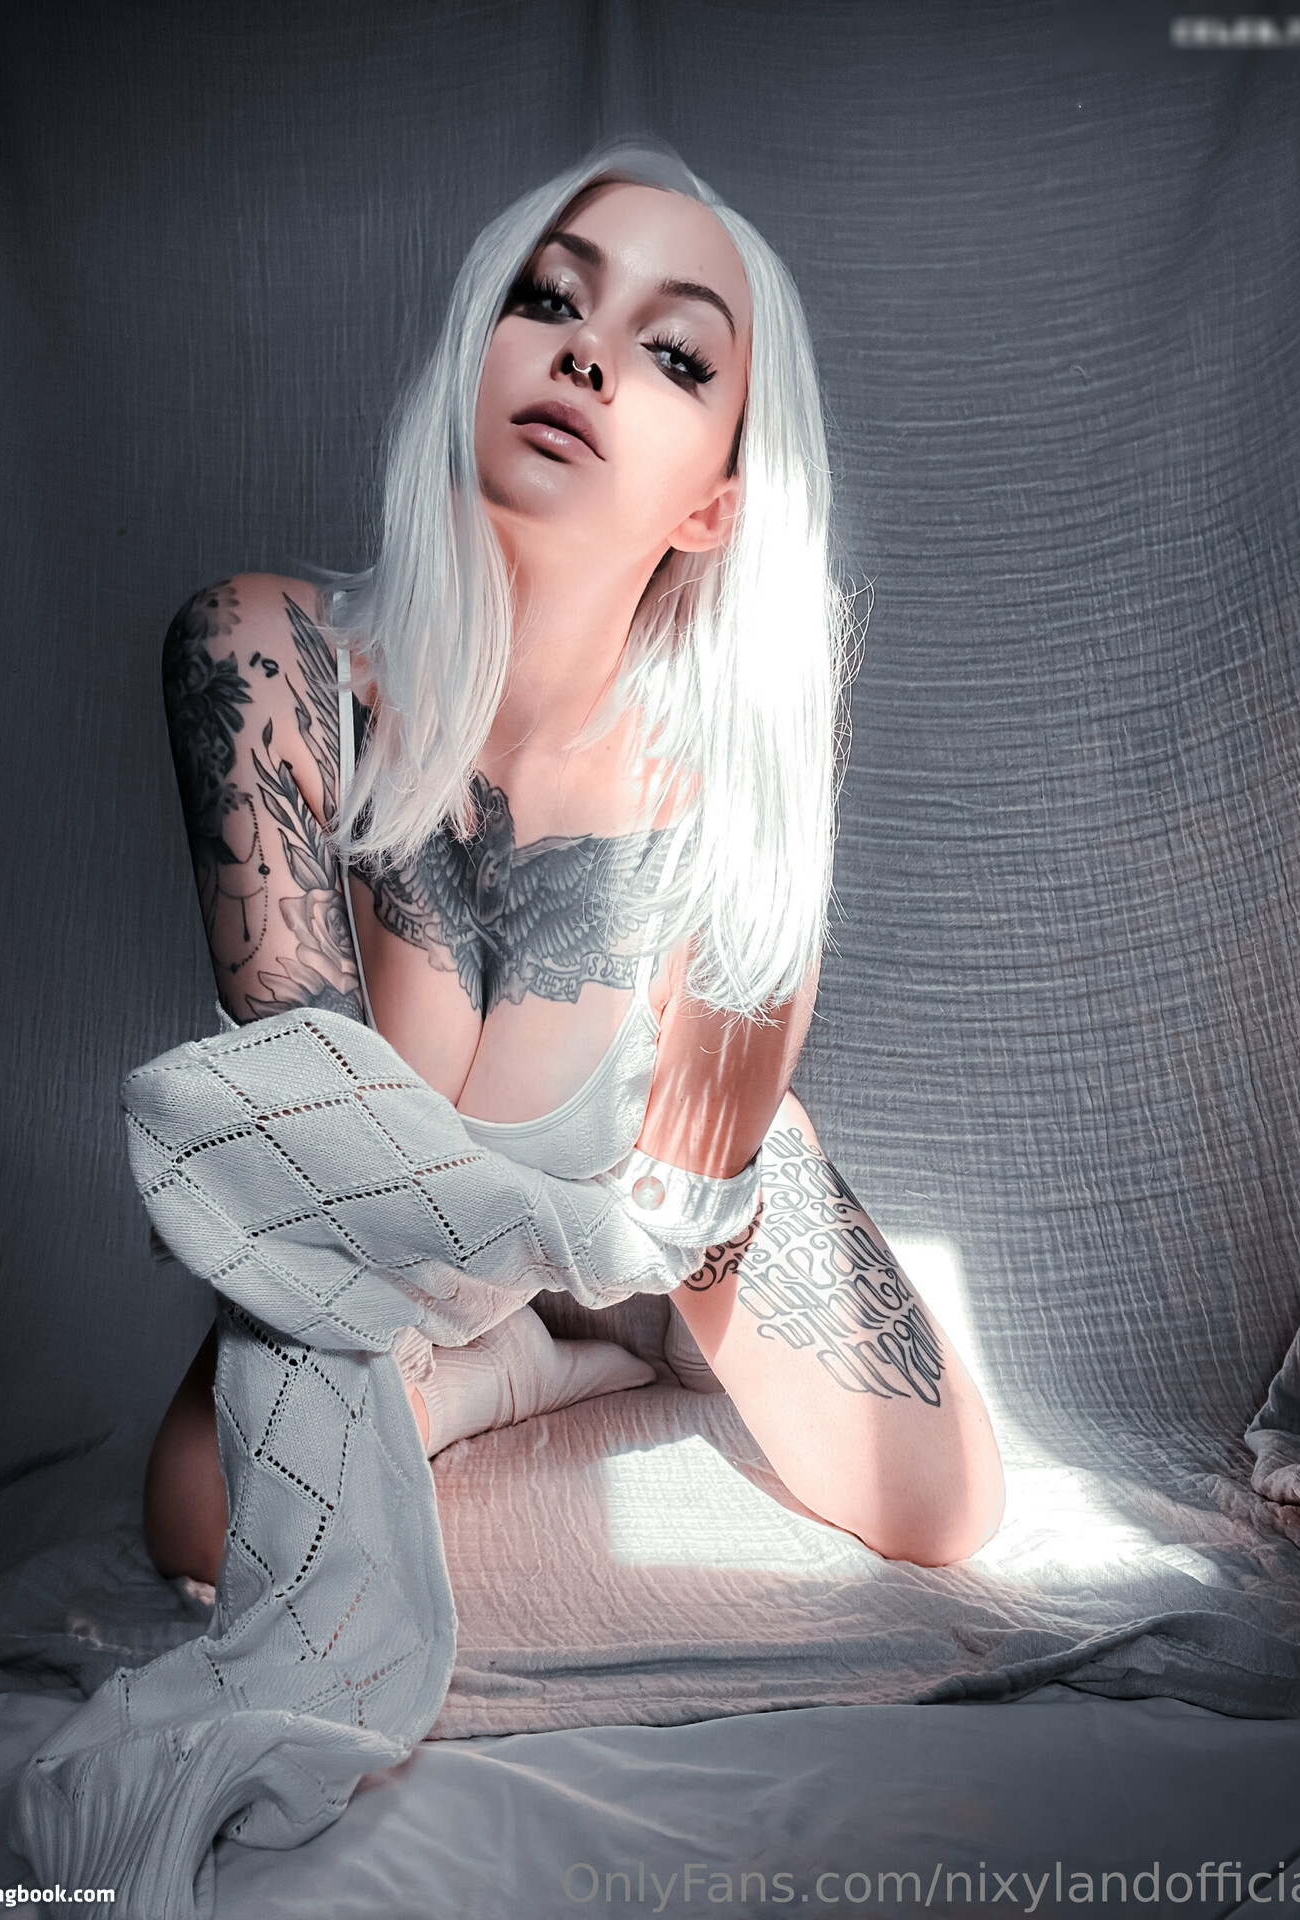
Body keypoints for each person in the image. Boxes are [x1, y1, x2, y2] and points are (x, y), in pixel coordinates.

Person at [145, 141, 1005, 1583]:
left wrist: (681, 1161)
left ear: (714, 505)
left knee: (940, 1504)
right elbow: (310, 1182)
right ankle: (517, 1371)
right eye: (551, 299)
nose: (588, 356)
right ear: (479, 357)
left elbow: (695, 1211)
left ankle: (517, 1356)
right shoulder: (265, 661)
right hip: (405, 1258)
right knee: (201, 1517)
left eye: (675, 355)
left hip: (652, 1236)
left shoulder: (732, 790)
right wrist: (481, 1348)